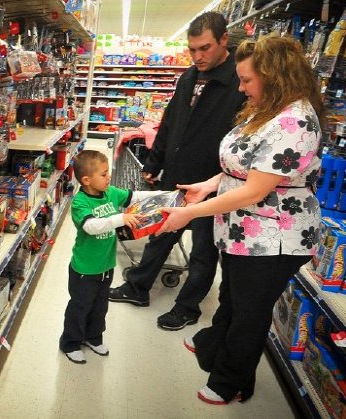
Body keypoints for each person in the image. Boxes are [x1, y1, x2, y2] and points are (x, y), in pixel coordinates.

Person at [156, 34, 324, 404]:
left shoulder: (295, 123)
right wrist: (207, 185)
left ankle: (231, 380)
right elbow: (244, 165)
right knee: (232, 295)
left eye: (247, 80)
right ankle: (214, 344)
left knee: (251, 310)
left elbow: (253, 190)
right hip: (244, 231)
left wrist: (189, 213)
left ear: (276, 78)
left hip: (274, 236)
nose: (241, 87)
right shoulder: (267, 110)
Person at [108, 12, 245, 331]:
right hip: (176, 174)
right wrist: (154, 163)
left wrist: (222, 180)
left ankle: (187, 307)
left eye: (205, 48)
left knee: (203, 250)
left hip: (211, 181)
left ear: (224, 40)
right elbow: (169, 123)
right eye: (192, 49)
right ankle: (138, 287)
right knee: (160, 233)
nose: (198, 56)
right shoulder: (188, 78)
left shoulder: (239, 82)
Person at [60, 150, 163, 363]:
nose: (109, 177)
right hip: (85, 269)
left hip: (106, 266)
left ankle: (93, 337)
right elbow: (91, 226)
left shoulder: (111, 193)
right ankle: (70, 342)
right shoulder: (80, 202)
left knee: (100, 307)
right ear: (86, 180)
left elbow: (135, 196)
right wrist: (120, 218)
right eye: (104, 174)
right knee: (80, 307)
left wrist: (164, 194)